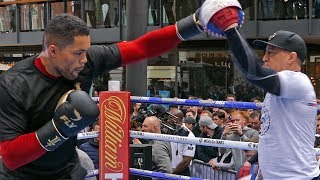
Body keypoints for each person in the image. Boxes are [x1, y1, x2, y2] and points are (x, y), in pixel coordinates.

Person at [0, 6, 214, 178]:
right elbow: (10, 156)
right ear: (53, 51)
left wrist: (196, 21)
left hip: (67, 170)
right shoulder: (13, 84)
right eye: (77, 53)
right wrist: (59, 129)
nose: (84, 59)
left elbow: (141, 48)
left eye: (86, 51)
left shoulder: (87, 61)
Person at [204, 2, 320, 178]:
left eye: (271, 52)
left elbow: (254, 73)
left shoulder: (298, 82)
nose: (265, 58)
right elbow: (271, 135)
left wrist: (230, 29)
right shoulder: (279, 89)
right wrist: (255, 165)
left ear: (291, 57)